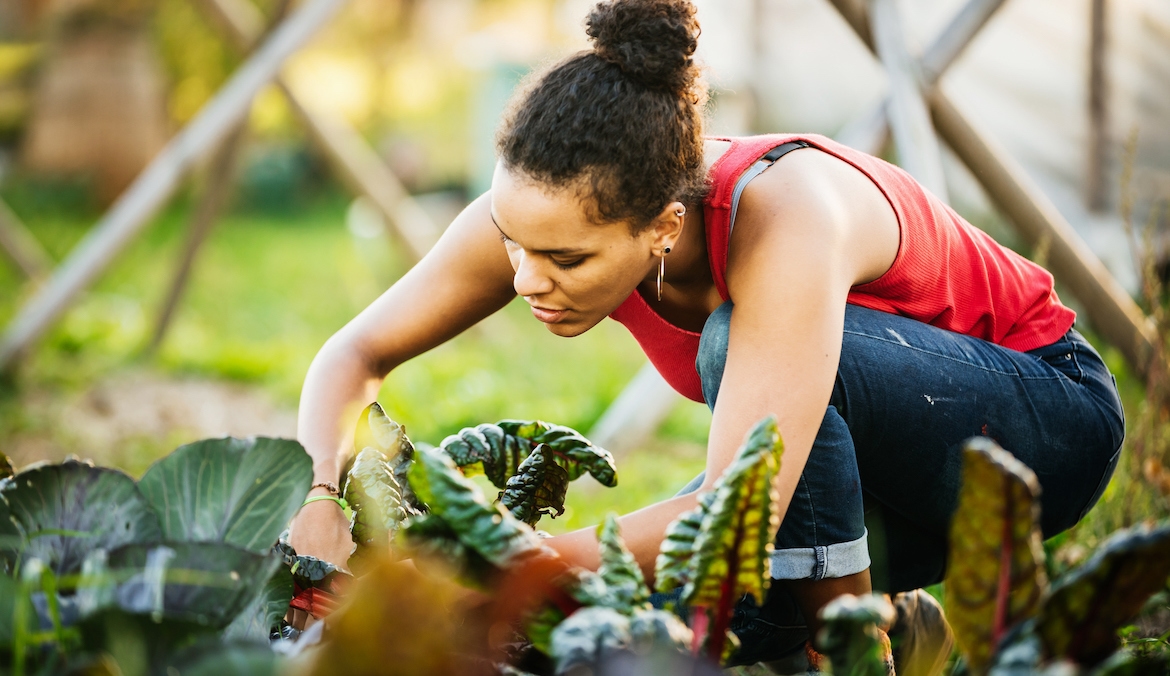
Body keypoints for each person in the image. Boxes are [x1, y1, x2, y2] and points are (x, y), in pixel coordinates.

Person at [289, 0, 1125, 668]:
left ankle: (856, 654)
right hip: (854, 481)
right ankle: (899, 625)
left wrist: (515, 558)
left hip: (1042, 428)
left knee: (728, 358)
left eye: (564, 259)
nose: (524, 277)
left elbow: (735, 505)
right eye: (511, 242)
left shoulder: (789, 216)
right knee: (654, 627)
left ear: (664, 226)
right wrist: (322, 493)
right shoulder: (542, 212)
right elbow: (353, 355)